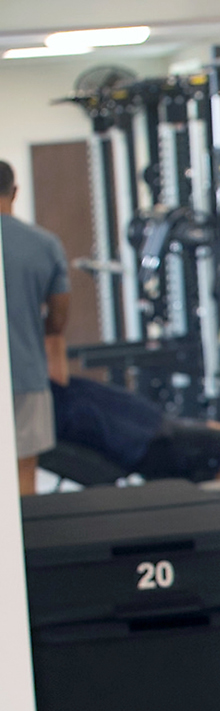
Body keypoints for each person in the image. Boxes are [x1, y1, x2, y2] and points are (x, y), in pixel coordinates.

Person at [51, 374, 220, 483]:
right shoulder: (56, 396)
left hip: (155, 426)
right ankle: (213, 516)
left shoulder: (54, 385)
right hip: (150, 441)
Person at [1, 160, 70, 497]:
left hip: (25, 375)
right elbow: (57, 320)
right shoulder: (44, 244)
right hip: (25, 375)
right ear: (14, 192)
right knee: (23, 471)